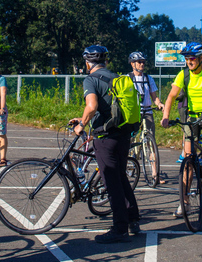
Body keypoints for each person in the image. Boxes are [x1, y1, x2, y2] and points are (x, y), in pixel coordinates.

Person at [70, 45, 140, 243]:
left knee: (111, 181)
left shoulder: (91, 79)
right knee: (121, 177)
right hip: (124, 134)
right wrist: (83, 118)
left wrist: (81, 124)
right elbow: (106, 107)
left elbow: (91, 106)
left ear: (87, 63)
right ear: (105, 62)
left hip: (106, 137)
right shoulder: (117, 78)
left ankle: (120, 229)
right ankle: (133, 220)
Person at [161, 42, 202, 218]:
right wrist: (165, 116)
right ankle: (185, 203)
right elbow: (171, 96)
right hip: (192, 115)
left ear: (200, 58)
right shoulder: (184, 74)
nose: (189, 61)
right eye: (187, 59)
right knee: (188, 158)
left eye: (192, 58)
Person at [127, 51, 165, 184]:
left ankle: (155, 175)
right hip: (133, 113)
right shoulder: (127, 79)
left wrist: (159, 103)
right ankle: (127, 164)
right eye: (139, 62)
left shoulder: (149, 78)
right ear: (132, 64)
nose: (142, 64)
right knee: (129, 141)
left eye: (143, 62)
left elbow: (154, 97)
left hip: (147, 112)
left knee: (151, 143)